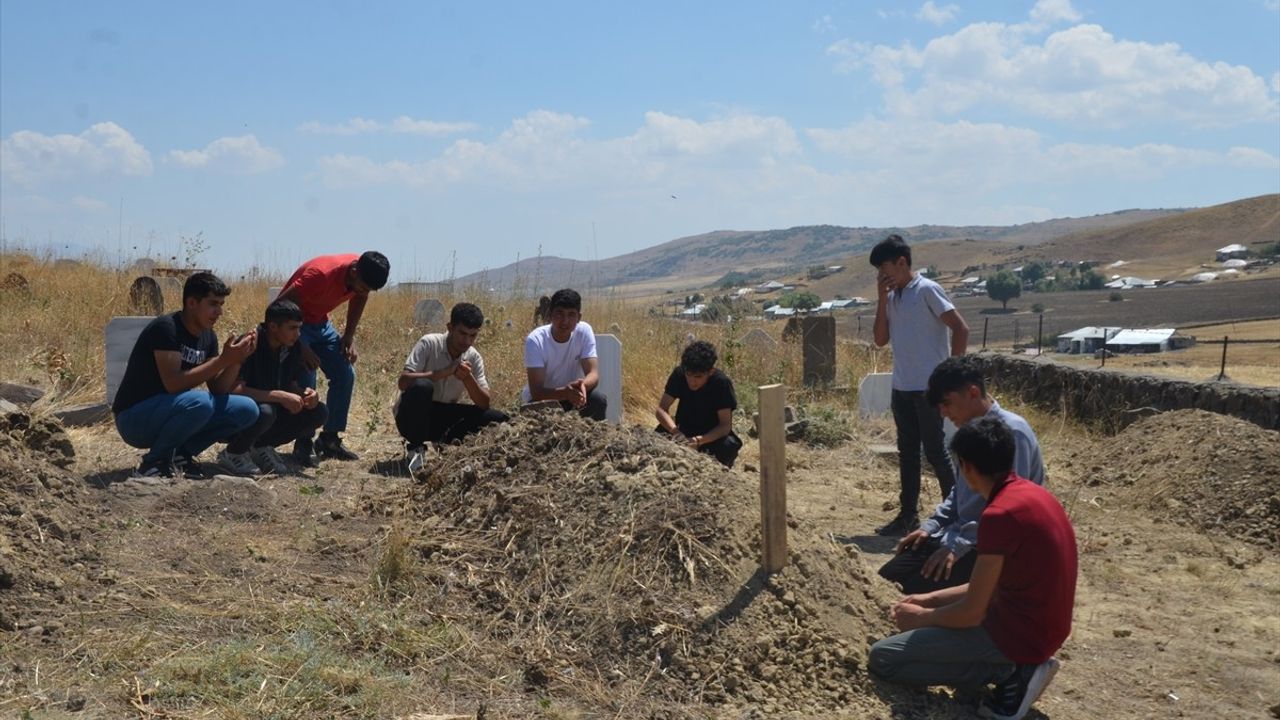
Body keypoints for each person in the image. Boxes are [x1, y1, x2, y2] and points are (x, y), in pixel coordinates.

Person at [869, 416, 1077, 720]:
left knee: (884, 657)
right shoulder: (1032, 494)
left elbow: (972, 612)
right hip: (1043, 628)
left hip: (1018, 636)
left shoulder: (998, 514)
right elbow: (987, 586)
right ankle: (1012, 667)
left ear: (966, 467)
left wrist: (922, 619)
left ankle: (1010, 673)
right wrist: (930, 600)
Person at [879, 355, 1046, 594]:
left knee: (909, 591)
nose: (944, 413)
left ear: (973, 393)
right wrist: (932, 525)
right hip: (957, 533)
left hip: (990, 544)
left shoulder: (1011, 433)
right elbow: (961, 491)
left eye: (947, 403)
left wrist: (958, 546)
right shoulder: (970, 431)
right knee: (885, 580)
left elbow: (1009, 510)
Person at [112, 272, 259, 478]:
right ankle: (154, 462)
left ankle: (182, 455)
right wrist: (223, 360)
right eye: (213, 304)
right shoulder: (166, 328)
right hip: (135, 419)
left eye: (221, 304)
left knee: (246, 409)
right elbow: (173, 384)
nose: (220, 312)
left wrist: (237, 360)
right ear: (192, 303)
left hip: (170, 412)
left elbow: (218, 388)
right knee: (201, 403)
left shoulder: (208, 336)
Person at [870, 234, 969, 536]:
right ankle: (907, 516)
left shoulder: (927, 289)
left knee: (936, 452)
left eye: (884, 267)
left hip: (928, 388)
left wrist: (952, 374)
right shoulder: (893, 296)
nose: (881, 275)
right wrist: (881, 298)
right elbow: (879, 339)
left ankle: (956, 515)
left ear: (902, 262)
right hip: (902, 386)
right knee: (908, 452)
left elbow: (960, 328)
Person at [275, 250, 390, 463]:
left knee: (345, 373)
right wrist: (299, 345)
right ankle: (304, 441)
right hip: (295, 325)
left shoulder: (361, 274)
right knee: (307, 374)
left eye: (369, 290)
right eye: (363, 288)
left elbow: (360, 297)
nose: (364, 292)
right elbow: (277, 308)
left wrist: (348, 336)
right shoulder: (320, 275)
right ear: (354, 271)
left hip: (321, 324)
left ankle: (329, 440)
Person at [396, 302, 509, 474]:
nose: (467, 341)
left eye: (473, 336)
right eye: (462, 334)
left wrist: (467, 378)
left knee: (497, 417)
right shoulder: (429, 343)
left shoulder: (473, 357)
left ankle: (451, 448)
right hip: (411, 417)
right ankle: (416, 450)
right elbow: (403, 381)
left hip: (443, 417)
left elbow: (484, 403)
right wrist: (444, 372)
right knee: (422, 387)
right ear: (450, 327)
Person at [218, 300, 328, 476]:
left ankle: (260, 447)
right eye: (292, 328)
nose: (297, 334)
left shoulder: (292, 347)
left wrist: (306, 395)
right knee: (266, 411)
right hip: (242, 414)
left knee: (319, 412)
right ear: (273, 327)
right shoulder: (249, 343)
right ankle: (234, 452)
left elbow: (290, 384)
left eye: (299, 328)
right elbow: (233, 390)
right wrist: (278, 396)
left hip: (271, 411)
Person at [521, 288, 606, 421]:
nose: (565, 321)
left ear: (579, 317)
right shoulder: (536, 340)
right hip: (544, 400)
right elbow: (537, 392)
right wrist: (565, 393)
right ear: (550, 315)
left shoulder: (584, 331)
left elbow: (593, 374)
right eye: (560, 314)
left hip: (574, 396)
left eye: (571, 315)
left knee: (597, 400)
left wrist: (582, 385)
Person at [655, 340, 741, 468]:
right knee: (656, 439)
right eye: (688, 375)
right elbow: (661, 409)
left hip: (711, 435)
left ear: (710, 372)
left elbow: (725, 426)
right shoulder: (679, 374)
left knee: (728, 447)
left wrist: (698, 441)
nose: (692, 381)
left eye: (698, 377)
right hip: (682, 431)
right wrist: (676, 433)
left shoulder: (721, 383)